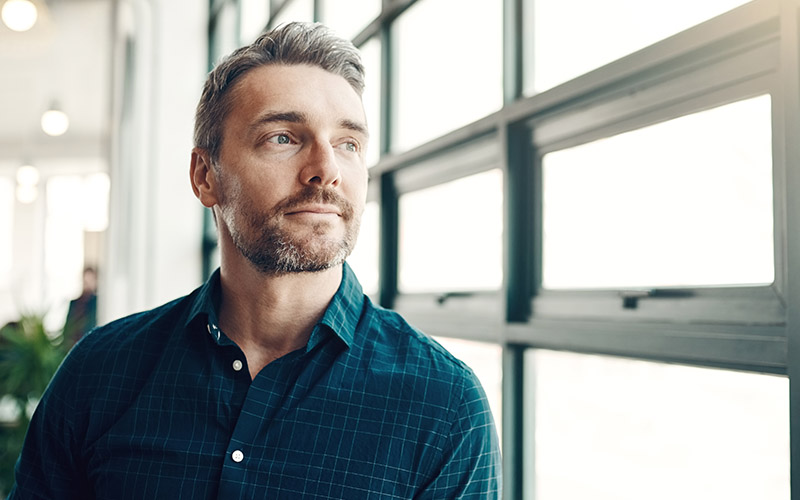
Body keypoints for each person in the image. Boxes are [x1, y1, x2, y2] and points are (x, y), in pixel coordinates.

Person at [9, 22, 501, 499]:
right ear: (205, 176)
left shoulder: (443, 407)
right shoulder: (100, 372)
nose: (327, 170)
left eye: (348, 144)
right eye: (283, 138)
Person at [62, 266, 98, 346]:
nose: (87, 285)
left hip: (90, 343)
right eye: (86, 281)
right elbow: (68, 326)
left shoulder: (97, 302)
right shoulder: (74, 303)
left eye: (90, 281)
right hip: (73, 344)